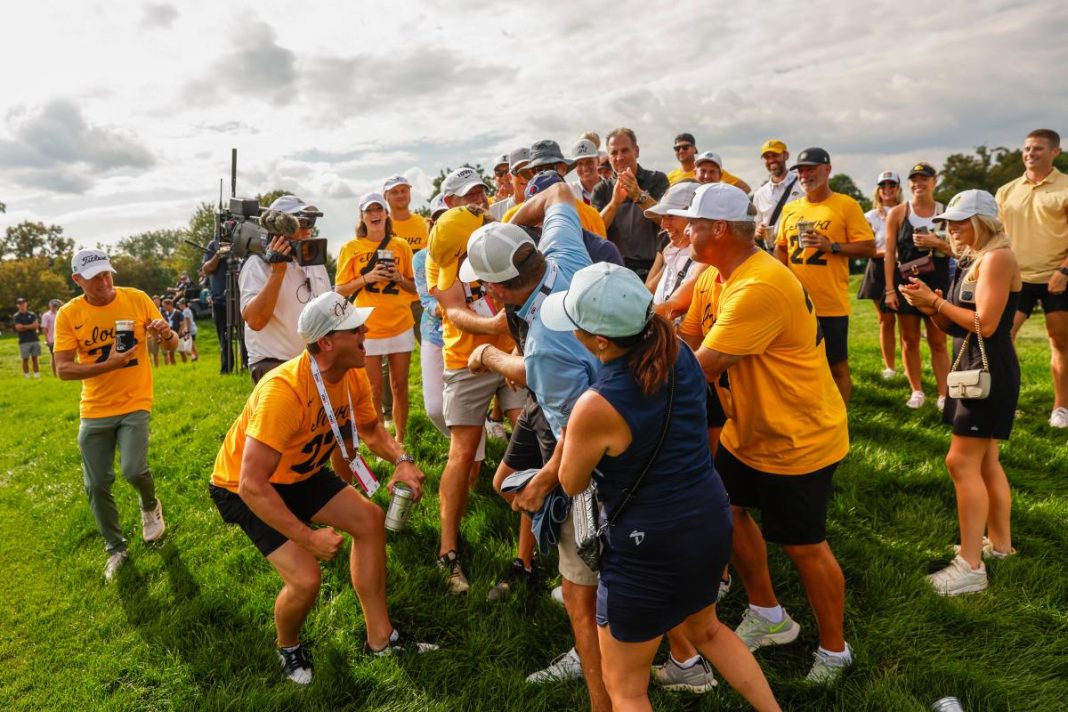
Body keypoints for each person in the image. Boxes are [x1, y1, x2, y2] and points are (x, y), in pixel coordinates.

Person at [540, 261, 781, 712]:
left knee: (627, 688)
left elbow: (571, 482)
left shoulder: (597, 404)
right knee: (708, 629)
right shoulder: (682, 353)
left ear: (600, 342)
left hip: (644, 545)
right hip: (707, 518)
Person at [675, 183, 854, 683]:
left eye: (694, 223)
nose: (685, 230)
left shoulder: (759, 285)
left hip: (796, 438)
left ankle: (835, 652)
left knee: (804, 546)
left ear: (721, 230)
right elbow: (688, 336)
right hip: (748, 431)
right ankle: (769, 615)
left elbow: (696, 370)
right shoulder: (716, 274)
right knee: (728, 511)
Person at [208, 292, 434, 684]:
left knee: (370, 520)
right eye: (355, 328)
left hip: (300, 472)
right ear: (326, 342)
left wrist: (402, 460)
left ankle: (381, 638)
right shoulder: (283, 391)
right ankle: (289, 645)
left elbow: (369, 430)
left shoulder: (352, 373)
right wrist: (306, 538)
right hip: (245, 487)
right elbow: (251, 483)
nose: (365, 330)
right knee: (306, 578)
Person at [459, 182, 610, 709]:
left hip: (586, 426)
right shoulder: (562, 250)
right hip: (558, 405)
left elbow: (574, 435)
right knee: (504, 482)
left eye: (480, 289)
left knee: (582, 570)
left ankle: (599, 642)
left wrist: (491, 358)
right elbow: (563, 190)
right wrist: (501, 229)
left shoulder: (547, 339)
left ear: (496, 292)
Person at [900, 189, 1021, 595]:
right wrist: (927, 306)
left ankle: (970, 566)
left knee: (960, 462)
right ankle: (999, 546)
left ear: (983, 221)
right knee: (986, 461)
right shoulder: (972, 258)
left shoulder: (998, 257)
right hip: (971, 365)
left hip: (989, 368)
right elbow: (955, 325)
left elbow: (984, 325)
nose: (951, 228)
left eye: (959, 221)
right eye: (948, 221)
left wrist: (934, 300)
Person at [54, 249, 176, 580]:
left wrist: (165, 332)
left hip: (135, 400)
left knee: (134, 470)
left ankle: (150, 506)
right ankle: (116, 548)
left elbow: (172, 346)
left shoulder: (136, 299)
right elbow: (62, 369)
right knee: (96, 483)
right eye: (96, 277)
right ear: (78, 280)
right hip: (94, 409)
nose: (105, 281)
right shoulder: (69, 314)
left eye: (108, 274)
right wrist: (108, 364)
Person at [425, 193, 526, 593]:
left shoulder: (508, 242)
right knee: (462, 452)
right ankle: (447, 551)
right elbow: (454, 311)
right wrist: (495, 328)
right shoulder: (441, 252)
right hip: (464, 360)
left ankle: (529, 552)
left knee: (529, 441)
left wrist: (516, 348)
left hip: (514, 355)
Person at [775, 147, 877, 402]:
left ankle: (838, 420)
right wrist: (782, 277)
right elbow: (781, 246)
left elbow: (869, 247)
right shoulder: (790, 208)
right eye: (801, 170)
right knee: (795, 366)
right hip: (797, 303)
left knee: (837, 366)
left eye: (811, 168)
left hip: (830, 303)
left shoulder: (845, 204)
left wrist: (831, 246)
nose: (805, 175)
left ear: (827, 169)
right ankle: (806, 412)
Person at [996, 128, 1068, 428]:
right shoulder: (1007, 190)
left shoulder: (1065, 187)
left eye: (1038, 148)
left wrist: (1065, 270)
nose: (1030, 153)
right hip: (1017, 278)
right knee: (1003, 338)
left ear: (1055, 152)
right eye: (1027, 148)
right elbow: (996, 236)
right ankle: (1006, 402)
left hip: (1058, 276)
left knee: (1059, 340)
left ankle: (1061, 407)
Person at [335, 192, 417, 443]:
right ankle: (383, 440)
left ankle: (400, 439)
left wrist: (398, 278)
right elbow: (339, 290)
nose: (375, 214)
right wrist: (367, 278)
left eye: (378, 210)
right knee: (373, 389)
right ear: (362, 217)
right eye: (369, 211)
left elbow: (415, 288)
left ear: (385, 214)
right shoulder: (350, 248)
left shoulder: (400, 245)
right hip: (368, 327)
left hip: (400, 324)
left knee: (400, 386)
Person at [240, 195, 331, 384]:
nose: (307, 230)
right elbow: (255, 321)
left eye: (310, 223)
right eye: (301, 224)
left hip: (314, 363)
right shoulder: (256, 265)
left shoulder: (315, 262)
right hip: (275, 367)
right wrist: (277, 272)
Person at [883, 162, 951, 410]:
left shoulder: (946, 211)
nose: (918, 184)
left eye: (924, 179)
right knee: (909, 339)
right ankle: (917, 391)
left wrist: (938, 243)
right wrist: (890, 289)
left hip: (938, 285)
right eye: (914, 179)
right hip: (908, 283)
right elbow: (890, 254)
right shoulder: (898, 213)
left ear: (935, 181)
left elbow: (960, 251)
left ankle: (944, 394)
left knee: (938, 340)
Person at [591, 128, 670, 280]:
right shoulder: (601, 189)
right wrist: (614, 203)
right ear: (608, 157)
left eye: (625, 150)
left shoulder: (657, 180)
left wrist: (638, 195)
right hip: (614, 272)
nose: (619, 157)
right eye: (614, 153)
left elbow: (666, 221)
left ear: (637, 151)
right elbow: (595, 232)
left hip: (653, 270)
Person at [503, 140, 607, 238]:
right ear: (531, 173)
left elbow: (601, 254)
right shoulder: (511, 216)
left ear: (563, 169)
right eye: (538, 170)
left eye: (551, 167)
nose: (545, 174)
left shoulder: (591, 216)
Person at [857, 171, 903, 379]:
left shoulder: (906, 211)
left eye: (891, 184)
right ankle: (890, 367)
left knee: (906, 321)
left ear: (898, 188)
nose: (887, 188)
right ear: (878, 189)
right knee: (885, 320)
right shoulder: (869, 217)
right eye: (883, 185)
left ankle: (910, 365)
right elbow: (866, 249)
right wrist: (890, 252)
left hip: (904, 267)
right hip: (878, 267)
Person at [642, 182, 703, 308]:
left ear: (694, 215)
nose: (663, 225)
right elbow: (648, 292)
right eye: (663, 217)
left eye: (670, 216)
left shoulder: (709, 262)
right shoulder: (672, 251)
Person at [751, 139, 802, 249]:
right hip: (771, 253)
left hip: (798, 252)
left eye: (775, 155)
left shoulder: (802, 184)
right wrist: (757, 232)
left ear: (786, 156)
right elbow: (755, 227)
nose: (771, 160)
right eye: (767, 157)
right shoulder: (760, 194)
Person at [202, 236, 240, 374]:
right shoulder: (213, 244)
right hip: (220, 300)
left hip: (242, 298)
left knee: (246, 336)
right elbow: (206, 269)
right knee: (225, 338)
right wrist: (219, 254)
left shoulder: (244, 239)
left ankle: (248, 366)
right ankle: (227, 368)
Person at [669, 133, 753, 193]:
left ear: (694, 149)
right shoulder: (670, 176)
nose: (681, 151)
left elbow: (745, 188)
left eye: (685, 147)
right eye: (677, 148)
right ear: (695, 173)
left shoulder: (714, 170)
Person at [489, 148, 530, 220]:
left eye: (529, 170)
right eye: (517, 171)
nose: (524, 177)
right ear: (510, 176)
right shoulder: (492, 212)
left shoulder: (550, 204)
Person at [12, 297, 41, 379]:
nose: (22, 305)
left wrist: (24, 326)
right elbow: (18, 328)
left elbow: (36, 326)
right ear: (18, 305)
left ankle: (37, 375)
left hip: (34, 339)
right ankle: (27, 376)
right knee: (25, 359)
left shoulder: (32, 314)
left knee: (35, 358)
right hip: (24, 340)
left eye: (23, 303)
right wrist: (30, 326)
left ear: (26, 304)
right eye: (20, 304)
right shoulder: (16, 316)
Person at [568, 138, 600, 206]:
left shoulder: (612, 188)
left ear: (598, 161)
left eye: (589, 162)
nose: (584, 168)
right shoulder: (568, 191)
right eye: (579, 164)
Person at [40, 298, 61, 376]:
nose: (54, 307)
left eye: (56, 306)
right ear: (50, 306)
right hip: (52, 339)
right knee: (54, 357)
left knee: (61, 357)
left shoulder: (59, 313)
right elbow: (44, 328)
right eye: (53, 306)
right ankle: (55, 373)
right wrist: (47, 339)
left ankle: (61, 372)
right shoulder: (46, 315)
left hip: (61, 339)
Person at [161, 297, 183, 365]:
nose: (163, 308)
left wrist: (179, 334)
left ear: (170, 305)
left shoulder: (178, 313)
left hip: (178, 335)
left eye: (165, 306)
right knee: (171, 353)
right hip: (170, 336)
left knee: (182, 352)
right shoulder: (165, 314)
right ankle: (174, 366)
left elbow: (182, 325)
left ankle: (186, 364)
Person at [178, 297, 200, 362]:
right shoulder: (186, 310)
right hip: (190, 330)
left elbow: (188, 321)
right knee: (191, 345)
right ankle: (194, 357)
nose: (179, 306)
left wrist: (188, 331)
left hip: (190, 330)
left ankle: (196, 357)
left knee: (192, 344)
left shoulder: (186, 311)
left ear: (183, 304)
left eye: (180, 304)